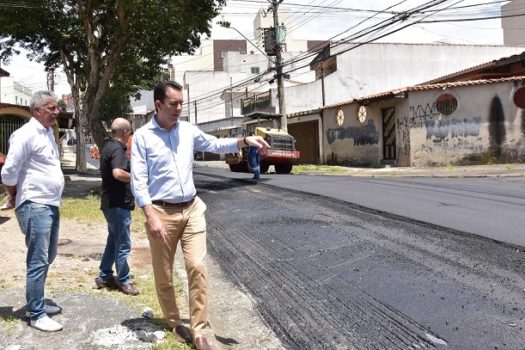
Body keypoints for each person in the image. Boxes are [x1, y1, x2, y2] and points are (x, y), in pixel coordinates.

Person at [130, 81, 269, 350]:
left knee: (197, 267)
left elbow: (215, 144)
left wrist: (243, 140)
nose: (179, 108)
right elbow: (138, 181)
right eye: (174, 104)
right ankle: (173, 321)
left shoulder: (187, 130)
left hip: (192, 208)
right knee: (164, 273)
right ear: (158, 105)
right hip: (161, 211)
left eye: (181, 102)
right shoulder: (143, 137)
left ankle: (200, 330)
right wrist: (150, 215)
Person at [0, 90, 64, 332]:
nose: (56, 112)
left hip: (50, 202)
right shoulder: (25, 134)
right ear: (36, 111)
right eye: (51, 108)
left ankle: (35, 303)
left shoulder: (47, 133)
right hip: (35, 204)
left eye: (56, 107)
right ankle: (36, 314)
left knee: (49, 255)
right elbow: (8, 171)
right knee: (38, 259)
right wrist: (12, 193)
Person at [95, 118, 139, 296]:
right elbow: (118, 173)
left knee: (113, 241)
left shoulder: (108, 147)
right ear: (126, 132)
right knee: (123, 243)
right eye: (131, 132)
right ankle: (124, 280)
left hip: (110, 203)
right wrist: (137, 178)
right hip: (118, 204)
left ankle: (104, 276)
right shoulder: (119, 149)